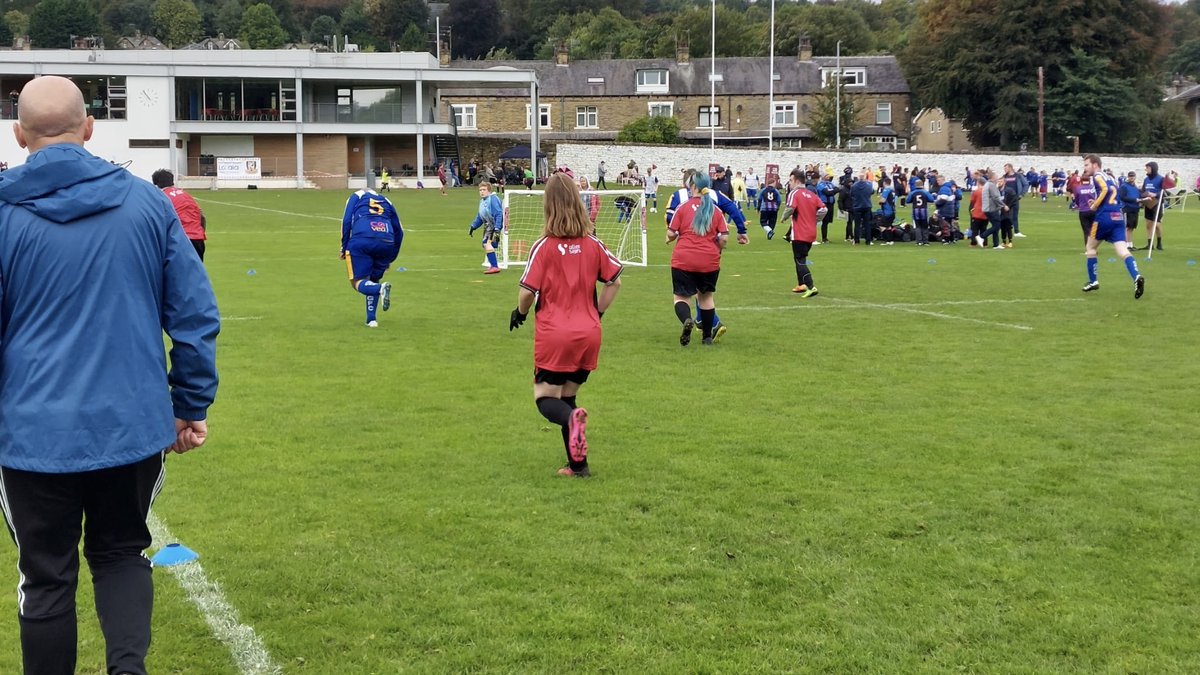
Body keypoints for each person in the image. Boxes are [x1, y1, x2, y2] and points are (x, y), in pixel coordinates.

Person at [0, 75, 219, 675]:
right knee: (121, 553)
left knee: (46, 577)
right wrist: (191, 402)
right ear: (89, 128)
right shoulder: (150, 204)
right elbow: (195, 316)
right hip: (130, 424)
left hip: (33, 434)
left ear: (20, 136)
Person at [509, 173, 622, 478]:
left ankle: (573, 420)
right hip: (588, 333)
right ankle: (579, 468)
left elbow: (527, 292)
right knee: (568, 397)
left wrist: (519, 312)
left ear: (549, 207)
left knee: (546, 398)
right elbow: (615, 282)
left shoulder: (544, 246)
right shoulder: (593, 244)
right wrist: (596, 313)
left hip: (555, 334)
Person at [667, 170, 729, 346]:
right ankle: (707, 337)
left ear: (692, 186)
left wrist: (669, 238)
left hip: (683, 259)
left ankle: (687, 320)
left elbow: (671, 232)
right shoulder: (714, 210)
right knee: (706, 297)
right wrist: (716, 248)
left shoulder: (683, 207)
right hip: (709, 261)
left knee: (681, 297)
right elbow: (724, 237)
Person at [1081, 154, 1144, 298]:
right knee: (1123, 250)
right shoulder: (1110, 177)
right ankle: (1136, 276)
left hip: (1103, 217)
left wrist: (1095, 205)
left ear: (1095, 164)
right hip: (1118, 216)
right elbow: (1113, 195)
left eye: (1086, 165)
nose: (1084, 168)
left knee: (1090, 248)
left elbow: (1104, 190)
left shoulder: (1097, 176)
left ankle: (1093, 281)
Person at [341, 186, 403, 327]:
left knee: (356, 281)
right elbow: (399, 231)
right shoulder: (387, 200)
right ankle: (372, 320)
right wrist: (391, 257)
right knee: (373, 279)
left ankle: (379, 289)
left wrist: (344, 247)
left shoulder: (356, 196)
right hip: (386, 241)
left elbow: (346, 222)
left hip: (362, 239)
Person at [780, 168, 826, 297]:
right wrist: (814, 219)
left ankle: (811, 286)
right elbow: (824, 209)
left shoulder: (795, 193)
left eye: (790, 180)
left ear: (796, 180)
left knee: (800, 260)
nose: (789, 183)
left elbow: (790, 208)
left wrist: (783, 217)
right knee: (800, 258)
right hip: (811, 232)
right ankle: (802, 284)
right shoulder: (811, 194)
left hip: (799, 232)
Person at [151, 168, 207, 261]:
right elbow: (201, 217)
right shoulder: (187, 195)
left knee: (175, 274)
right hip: (197, 240)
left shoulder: (161, 198)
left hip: (178, 241)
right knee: (195, 274)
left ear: (156, 185)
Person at [469, 182, 504, 274]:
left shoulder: (493, 199)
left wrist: (497, 228)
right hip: (488, 226)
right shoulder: (482, 201)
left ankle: (495, 266)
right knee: (486, 244)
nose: (482, 192)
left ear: (489, 191)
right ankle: (493, 265)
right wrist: (473, 226)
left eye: (484, 190)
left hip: (494, 226)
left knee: (487, 244)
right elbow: (480, 216)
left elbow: (499, 214)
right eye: (480, 190)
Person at [1141, 161, 1164, 251]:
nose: (1146, 169)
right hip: (1148, 203)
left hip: (1157, 204)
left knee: (1157, 224)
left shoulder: (1161, 179)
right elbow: (1143, 190)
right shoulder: (1146, 179)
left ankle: (1159, 243)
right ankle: (1150, 244)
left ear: (1153, 168)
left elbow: (1164, 191)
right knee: (1148, 224)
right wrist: (1144, 194)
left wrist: (1155, 194)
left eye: (1148, 168)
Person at [906, 178, 935, 246]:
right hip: (923, 210)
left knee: (917, 226)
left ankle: (919, 241)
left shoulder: (913, 192)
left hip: (915, 210)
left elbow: (907, 200)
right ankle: (925, 241)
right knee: (924, 226)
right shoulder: (925, 192)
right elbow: (931, 199)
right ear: (922, 184)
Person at [1119, 171, 1142, 249]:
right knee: (1128, 227)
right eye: (1130, 176)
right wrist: (1134, 200)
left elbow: (1139, 195)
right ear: (1128, 177)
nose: (1132, 177)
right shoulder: (1124, 186)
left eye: (1133, 176)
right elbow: (1122, 197)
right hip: (1127, 208)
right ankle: (1126, 245)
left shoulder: (1135, 187)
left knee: (1132, 227)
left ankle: (1130, 244)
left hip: (1135, 208)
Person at [758, 175, 781, 240]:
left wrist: (758, 208)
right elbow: (779, 200)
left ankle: (769, 231)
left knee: (763, 222)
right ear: (773, 183)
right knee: (772, 222)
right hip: (774, 208)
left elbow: (759, 199)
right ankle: (770, 232)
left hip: (765, 208)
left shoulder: (763, 190)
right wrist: (778, 207)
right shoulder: (776, 191)